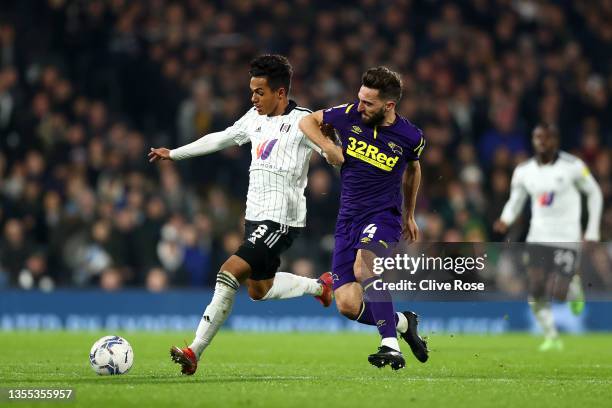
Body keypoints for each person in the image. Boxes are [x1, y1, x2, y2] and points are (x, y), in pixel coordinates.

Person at [149, 55, 333, 375]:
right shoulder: (254, 117)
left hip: (282, 220)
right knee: (259, 290)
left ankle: (195, 350)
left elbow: (333, 152)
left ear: (280, 92)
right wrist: (175, 154)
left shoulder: (304, 122)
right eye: (252, 91)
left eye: (259, 92)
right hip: (255, 218)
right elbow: (220, 138)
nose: (253, 98)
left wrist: (340, 156)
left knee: (229, 270)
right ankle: (321, 287)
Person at [299, 67, 429, 370]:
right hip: (348, 219)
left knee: (364, 265)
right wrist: (328, 146)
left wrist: (409, 214)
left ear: (389, 105)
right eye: (360, 99)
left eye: (368, 103)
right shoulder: (348, 115)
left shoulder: (411, 136)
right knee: (347, 304)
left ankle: (390, 345)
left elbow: (413, 168)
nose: (360, 106)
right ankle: (401, 323)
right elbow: (307, 121)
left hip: (384, 216)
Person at [494, 123, 603, 351]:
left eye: (547, 137)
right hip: (538, 237)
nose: (542, 141)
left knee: (560, 295)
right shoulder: (524, 171)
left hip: (566, 236)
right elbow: (516, 200)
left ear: (555, 140)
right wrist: (505, 218)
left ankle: (573, 286)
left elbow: (594, 193)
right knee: (535, 286)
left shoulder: (573, 166)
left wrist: (592, 230)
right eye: (537, 137)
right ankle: (551, 335)